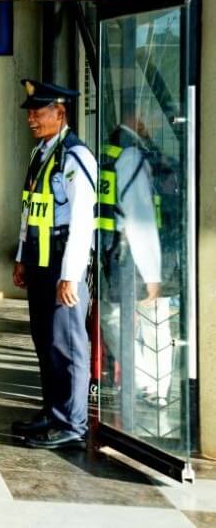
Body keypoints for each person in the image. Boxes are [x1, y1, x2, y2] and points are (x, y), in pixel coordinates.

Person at [11, 79, 97, 449]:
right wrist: (21, 257)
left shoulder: (76, 157)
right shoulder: (42, 154)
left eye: (38, 112)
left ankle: (72, 424)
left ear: (59, 113)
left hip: (64, 262)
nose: (31, 119)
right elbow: (30, 210)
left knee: (68, 344)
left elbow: (82, 221)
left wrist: (71, 276)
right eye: (30, 112)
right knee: (45, 341)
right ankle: (52, 411)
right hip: (41, 260)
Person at [97, 114, 173, 408]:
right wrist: (152, 273)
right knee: (151, 321)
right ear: (138, 119)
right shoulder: (131, 152)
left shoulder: (113, 149)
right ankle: (152, 384)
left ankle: (149, 384)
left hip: (125, 253)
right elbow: (139, 216)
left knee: (124, 318)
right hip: (136, 253)